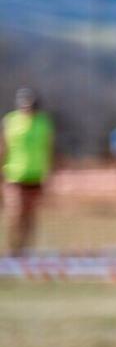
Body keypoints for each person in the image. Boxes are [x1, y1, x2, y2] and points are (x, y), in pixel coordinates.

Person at [2, 88, 54, 255]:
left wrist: (49, 171)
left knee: (30, 216)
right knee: (15, 212)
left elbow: (49, 148)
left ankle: (24, 249)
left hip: (36, 175)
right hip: (14, 174)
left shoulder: (43, 123)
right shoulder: (10, 121)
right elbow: (3, 147)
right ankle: (12, 247)